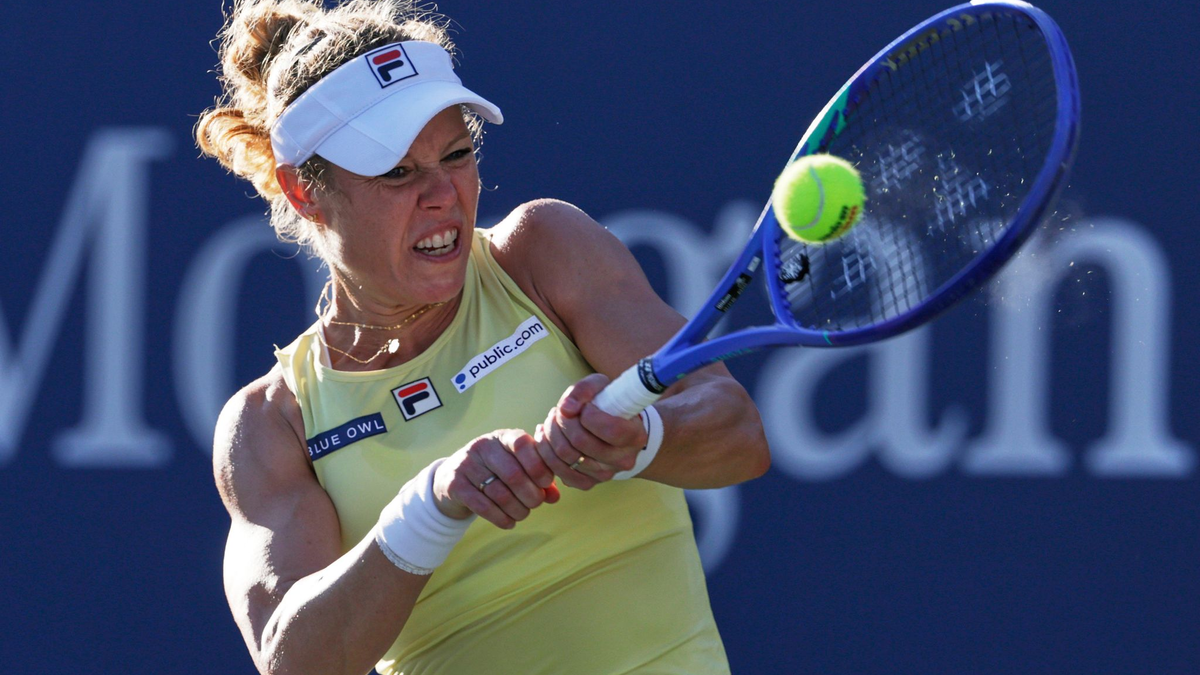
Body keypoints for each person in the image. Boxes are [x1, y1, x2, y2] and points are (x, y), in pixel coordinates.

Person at [196, 1, 770, 673]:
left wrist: (640, 440)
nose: (444, 193)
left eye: (457, 153)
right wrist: (430, 506)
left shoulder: (543, 252)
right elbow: (294, 660)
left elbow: (738, 434)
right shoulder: (271, 425)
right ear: (305, 193)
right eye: (397, 172)